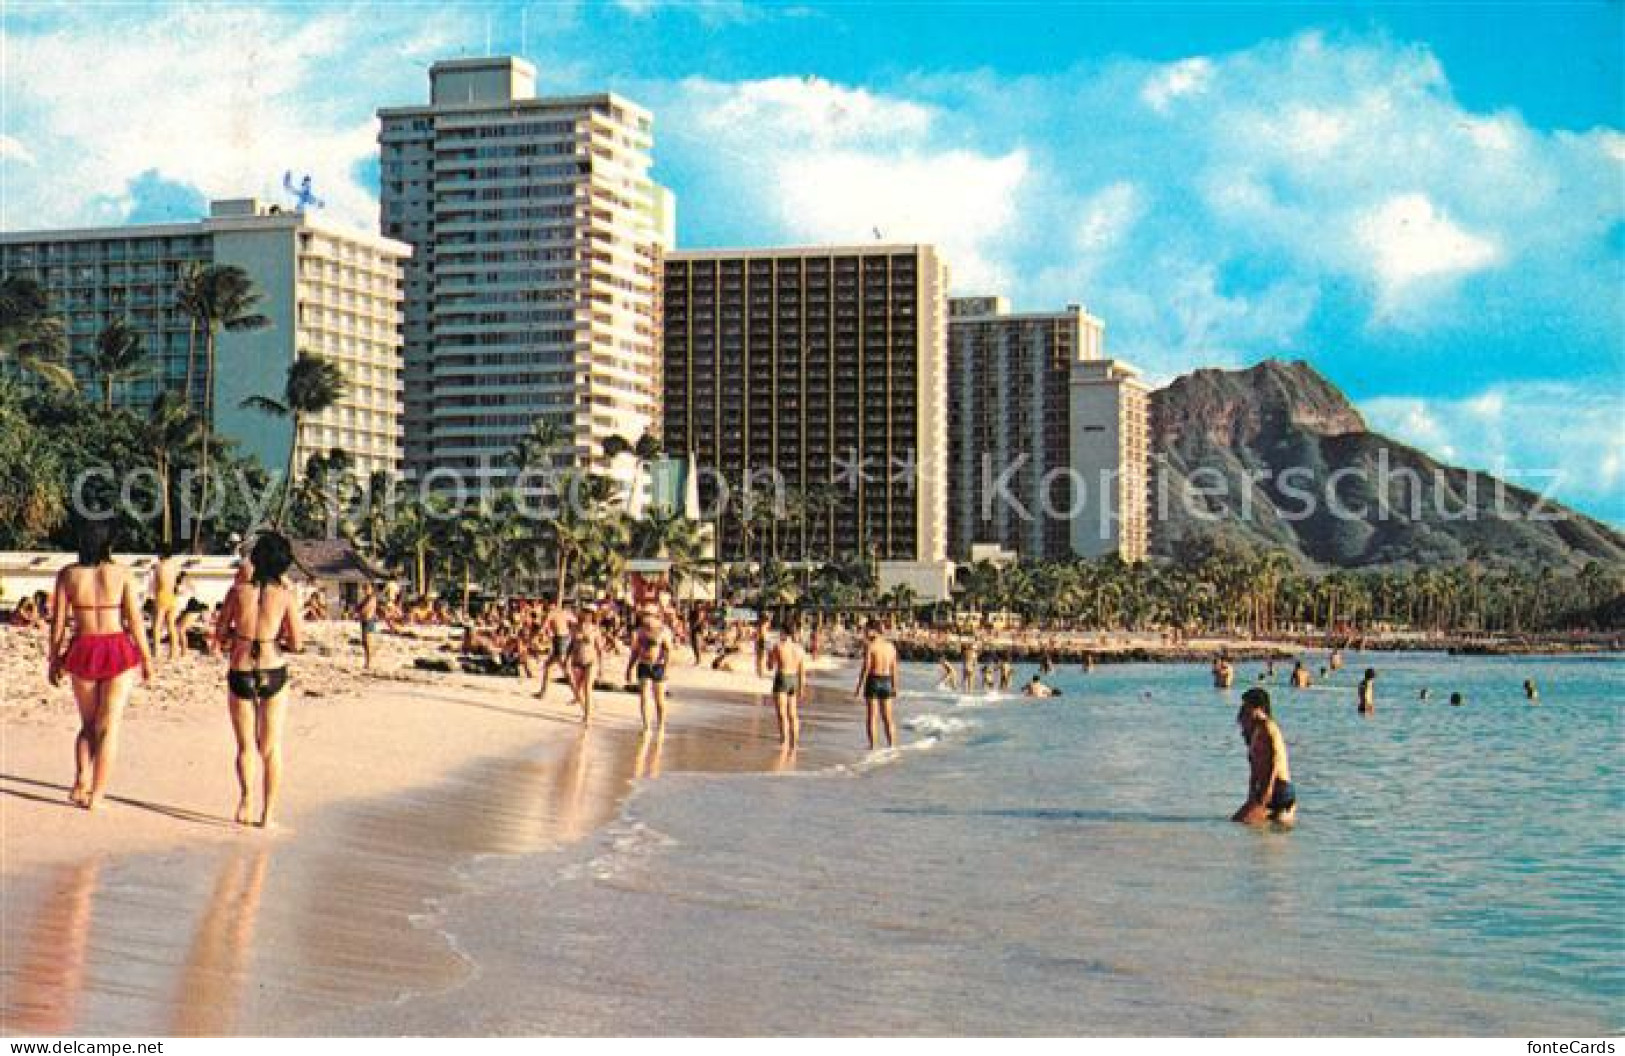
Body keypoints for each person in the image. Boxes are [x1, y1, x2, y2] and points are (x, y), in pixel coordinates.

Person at [48, 522, 154, 810]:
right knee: (110, 727)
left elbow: (57, 624)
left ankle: (81, 780)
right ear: (109, 543)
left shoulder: (68, 575)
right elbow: (135, 620)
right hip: (116, 647)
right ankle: (97, 795)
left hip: (83, 647)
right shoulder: (121, 574)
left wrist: (54, 659)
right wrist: (146, 658)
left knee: (88, 725)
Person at [216, 532, 304, 827]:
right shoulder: (285, 596)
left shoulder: (238, 592)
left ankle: (246, 801)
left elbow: (219, 635)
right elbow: (297, 642)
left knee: (244, 747)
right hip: (272, 666)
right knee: (270, 747)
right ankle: (268, 814)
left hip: (241, 668)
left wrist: (238, 636)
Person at [1232, 688, 1296, 826]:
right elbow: (1255, 764)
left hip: (1278, 787)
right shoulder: (1255, 730)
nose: (1244, 709)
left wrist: (1269, 788)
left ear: (1259, 708)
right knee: (1268, 836)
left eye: (1247, 706)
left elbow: (1276, 758)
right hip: (1265, 788)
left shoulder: (1268, 726)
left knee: (1239, 822)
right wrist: (1252, 790)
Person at [625, 612, 674, 733]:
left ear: (654, 617)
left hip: (658, 666)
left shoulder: (663, 631)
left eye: (647, 617)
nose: (644, 620)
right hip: (643, 665)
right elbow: (635, 651)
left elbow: (668, 651)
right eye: (643, 617)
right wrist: (629, 668)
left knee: (659, 699)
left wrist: (666, 669)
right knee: (644, 696)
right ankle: (646, 726)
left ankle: (661, 725)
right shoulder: (641, 631)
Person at [854, 621, 899, 750]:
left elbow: (866, 668)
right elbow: (894, 668)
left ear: (874, 631)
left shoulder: (871, 646)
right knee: (888, 717)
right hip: (887, 681)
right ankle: (892, 746)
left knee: (872, 716)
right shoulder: (891, 647)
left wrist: (859, 687)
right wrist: (895, 687)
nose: (865, 633)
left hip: (873, 680)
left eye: (867, 630)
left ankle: (873, 747)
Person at [767, 619, 807, 749]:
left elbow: (770, 666)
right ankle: (794, 743)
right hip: (794, 679)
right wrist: (802, 688)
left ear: (783, 631)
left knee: (782, 714)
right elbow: (802, 671)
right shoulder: (799, 649)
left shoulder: (779, 646)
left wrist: (769, 655)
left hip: (782, 677)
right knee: (793, 714)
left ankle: (783, 741)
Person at [537, 602, 577, 702]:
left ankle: (577, 695)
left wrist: (540, 635)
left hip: (560, 640)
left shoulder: (551, 613)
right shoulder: (565, 612)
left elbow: (543, 627)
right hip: (565, 638)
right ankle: (543, 692)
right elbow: (575, 621)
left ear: (552, 604)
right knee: (548, 665)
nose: (545, 606)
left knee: (566, 670)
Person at [568, 611, 603, 724]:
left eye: (588, 615)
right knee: (578, 690)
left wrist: (601, 667)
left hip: (591, 661)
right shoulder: (574, 628)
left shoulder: (594, 630)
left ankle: (588, 716)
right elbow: (571, 644)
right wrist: (566, 658)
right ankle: (588, 710)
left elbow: (599, 649)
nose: (585, 617)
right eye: (583, 614)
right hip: (576, 661)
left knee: (587, 688)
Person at [149, 545, 182, 660]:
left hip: (161, 595)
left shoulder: (158, 566)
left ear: (162, 554)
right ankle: (173, 652)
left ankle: (156, 651)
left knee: (157, 625)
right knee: (171, 625)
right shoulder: (175, 566)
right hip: (172, 596)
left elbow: (155, 584)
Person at [357, 582, 380, 671]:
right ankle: (367, 661)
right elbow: (360, 607)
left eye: (367, 588)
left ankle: (369, 662)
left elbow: (366, 608)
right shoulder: (366, 598)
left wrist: (358, 612)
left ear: (371, 589)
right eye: (364, 588)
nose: (365, 590)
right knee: (364, 643)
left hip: (368, 621)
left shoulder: (372, 598)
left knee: (367, 642)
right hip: (364, 621)